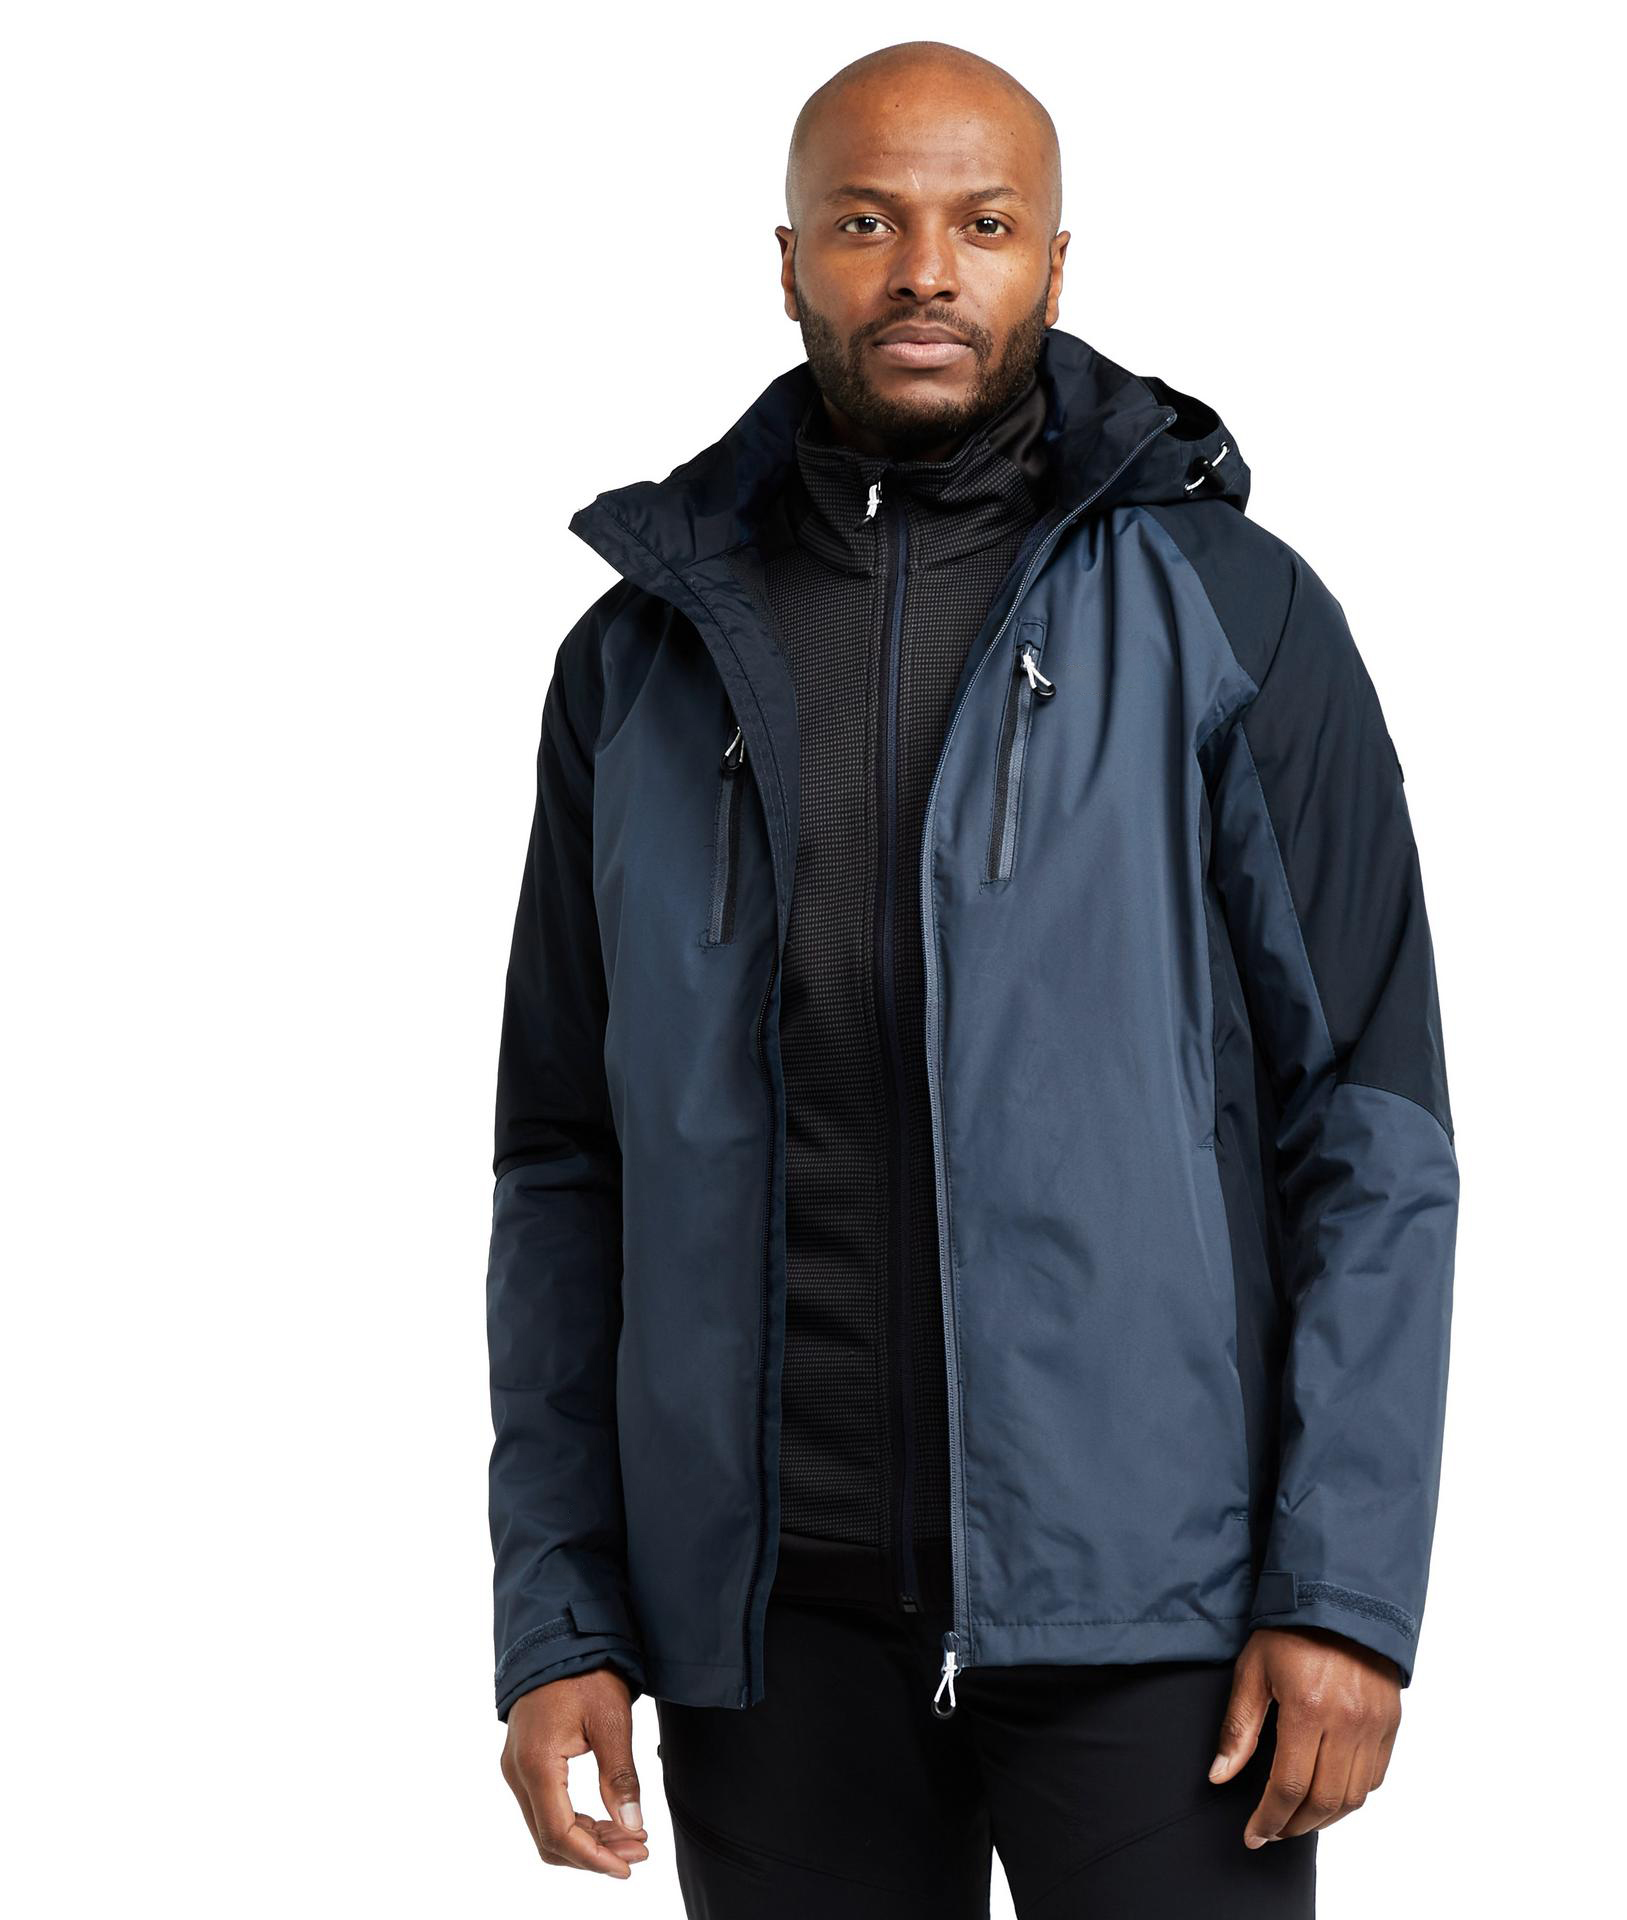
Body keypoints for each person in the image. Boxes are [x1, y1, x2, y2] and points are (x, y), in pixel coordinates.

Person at [487, 39, 1457, 1918]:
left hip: (1159, 1622)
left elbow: (1374, 1130)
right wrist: (561, 1613)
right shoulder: (637, 660)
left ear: (1056, 265)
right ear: (788, 261)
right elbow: (562, 1167)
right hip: (770, 1635)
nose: (926, 270)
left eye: (983, 225)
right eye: (868, 223)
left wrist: (1343, 1594)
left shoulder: (1233, 612)